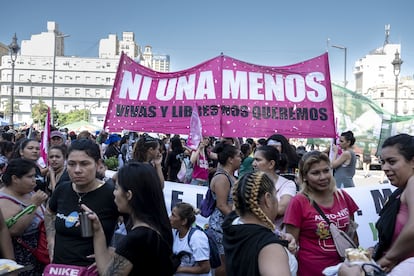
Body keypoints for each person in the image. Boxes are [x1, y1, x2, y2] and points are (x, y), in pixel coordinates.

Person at [339, 134, 414, 275]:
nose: (385, 168)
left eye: (392, 162)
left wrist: (387, 259)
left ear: (412, 161)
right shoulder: (400, 191)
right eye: (383, 162)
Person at [82, 162, 174, 275]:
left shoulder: (138, 238)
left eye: (116, 188)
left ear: (129, 195)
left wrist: (97, 231)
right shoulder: (156, 230)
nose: (114, 193)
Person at [284, 151, 359, 276]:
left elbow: (352, 234)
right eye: (315, 173)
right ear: (304, 176)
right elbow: (292, 244)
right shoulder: (298, 202)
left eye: (326, 170)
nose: (323, 177)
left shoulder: (343, 196)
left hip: (344, 270)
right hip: (311, 271)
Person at [46, 138, 119, 267]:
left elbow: (138, 229)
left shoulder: (111, 194)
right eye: (72, 164)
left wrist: (117, 252)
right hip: (60, 268)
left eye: (84, 164)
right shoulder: (62, 189)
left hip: (92, 270)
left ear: (98, 164)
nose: (77, 170)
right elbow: (49, 212)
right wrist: (51, 239)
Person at [223, 171, 298, 275]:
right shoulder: (270, 248)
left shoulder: (232, 223)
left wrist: (281, 237)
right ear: (268, 199)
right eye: (276, 196)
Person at [0, 158, 49, 274]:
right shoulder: (4, 201)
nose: (34, 181)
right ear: (15, 179)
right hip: (22, 257)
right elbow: (13, 230)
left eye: (34, 176)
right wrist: (33, 205)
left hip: (40, 255)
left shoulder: (30, 192)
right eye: (29, 177)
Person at [208, 143, 241, 276]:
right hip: (222, 226)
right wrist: (237, 221)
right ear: (230, 159)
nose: (241, 158)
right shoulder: (222, 178)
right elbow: (221, 205)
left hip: (228, 224)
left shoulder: (230, 176)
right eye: (238, 156)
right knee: (223, 262)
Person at [253, 145, 297, 231]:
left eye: (258, 160)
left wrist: (249, 209)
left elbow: (281, 209)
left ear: (271, 164)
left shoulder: (287, 184)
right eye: (254, 160)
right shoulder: (250, 182)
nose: (253, 164)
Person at [170, 202, 211, 276]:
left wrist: (178, 269)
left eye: (173, 216)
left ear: (184, 221)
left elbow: (205, 268)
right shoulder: (175, 232)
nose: (170, 218)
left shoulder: (197, 238)